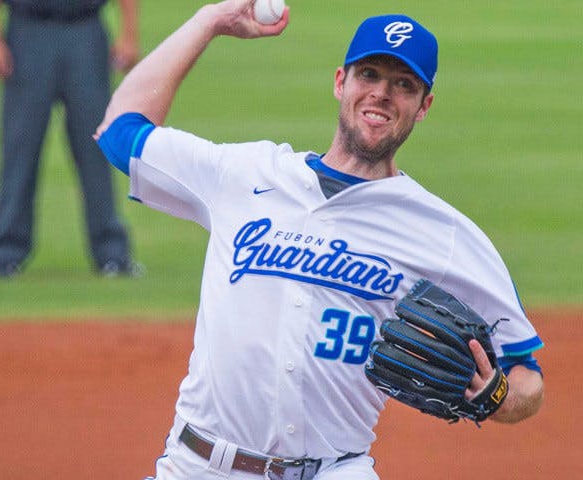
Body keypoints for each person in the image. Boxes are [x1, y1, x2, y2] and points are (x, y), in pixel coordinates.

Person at [95, 1, 545, 479]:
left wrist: (497, 394)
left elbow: (526, 374)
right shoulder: (246, 174)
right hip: (199, 466)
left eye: (403, 85)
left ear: (424, 105)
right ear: (340, 82)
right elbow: (119, 130)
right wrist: (209, 21)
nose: (381, 94)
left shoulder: (445, 233)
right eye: (369, 74)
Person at [0, 0, 141, 278]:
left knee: (97, 147)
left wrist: (129, 34)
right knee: (21, 146)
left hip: (85, 30)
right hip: (27, 32)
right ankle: (4, 254)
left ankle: (111, 253)